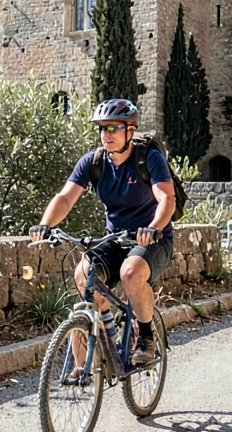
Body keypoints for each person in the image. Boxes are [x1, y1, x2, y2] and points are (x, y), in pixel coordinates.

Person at [30, 99, 176, 368]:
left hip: (152, 240)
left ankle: (145, 335)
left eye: (113, 128)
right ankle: (99, 345)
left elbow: (166, 198)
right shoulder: (94, 162)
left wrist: (154, 227)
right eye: (101, 128)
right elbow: (65, 198)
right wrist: (45, 225)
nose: (105, 134)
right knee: (82, 275)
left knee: (130, 274)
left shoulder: (149, 159)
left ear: (130, 131)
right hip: (115, 239)